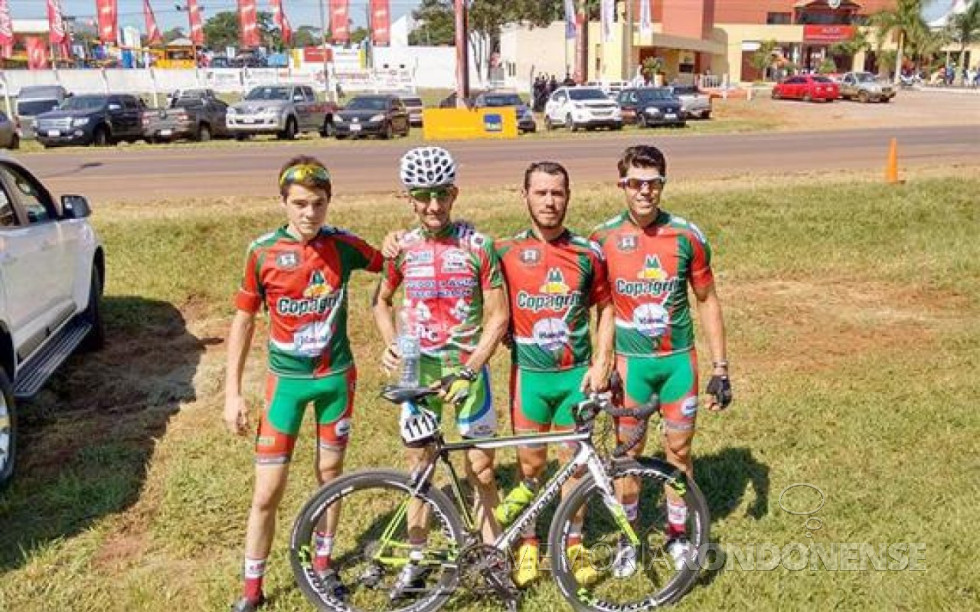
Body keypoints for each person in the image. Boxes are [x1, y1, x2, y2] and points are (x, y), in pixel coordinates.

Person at [224, 156, 384, 612]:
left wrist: (397, 248)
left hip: (336, 380)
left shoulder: (344, 245)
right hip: (286, 387)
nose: (309, 213)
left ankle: (323, 564)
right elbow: (243, 321)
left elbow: (389, 264)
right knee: (266, 492)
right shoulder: (263, 251)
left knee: (329, 479)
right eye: (299, 204)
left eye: (317, 203)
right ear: (283, 203)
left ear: (329, 202)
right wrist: (233, 392)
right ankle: (252, 589)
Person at [372, 146, 509, 599]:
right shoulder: (402, 247)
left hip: (465, 371)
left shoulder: (478, 245)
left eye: (443, 194)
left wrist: (471, 368)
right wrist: (391, 341)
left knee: (482, 470)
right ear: (409, 198)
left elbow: (498, 316)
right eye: (424, 196)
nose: (434, 206)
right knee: (420, 470)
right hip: (417, 370)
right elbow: (380, 301)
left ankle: (493, 558)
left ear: (455, 193)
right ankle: (415, 563)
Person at [590, 145, 732, 577]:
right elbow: (599, 308)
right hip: (630, 368)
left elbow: (707, 301)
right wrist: (600, 361)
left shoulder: (687, 236)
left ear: (663, 185)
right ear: (622, 186)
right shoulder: (603, 239)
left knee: (679, 452)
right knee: (626, 457)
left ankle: (676, 534)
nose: (645, 192)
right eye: (636, 183)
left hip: (677, 365)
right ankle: (629, 539)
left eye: (653, 183)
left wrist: (720, 369)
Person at [494, 161, 615, 587]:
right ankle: (528, 543)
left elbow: (607, 308)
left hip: (574, 378)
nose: (550, 201)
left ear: (569, 196)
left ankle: (572, 543)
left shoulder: (586, 252)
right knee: (530, 466)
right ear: (524, 195)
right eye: (541, 192)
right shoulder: (504, 251)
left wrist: (602, 361)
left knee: (575, 466)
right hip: (529, 377)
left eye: (558, 193)